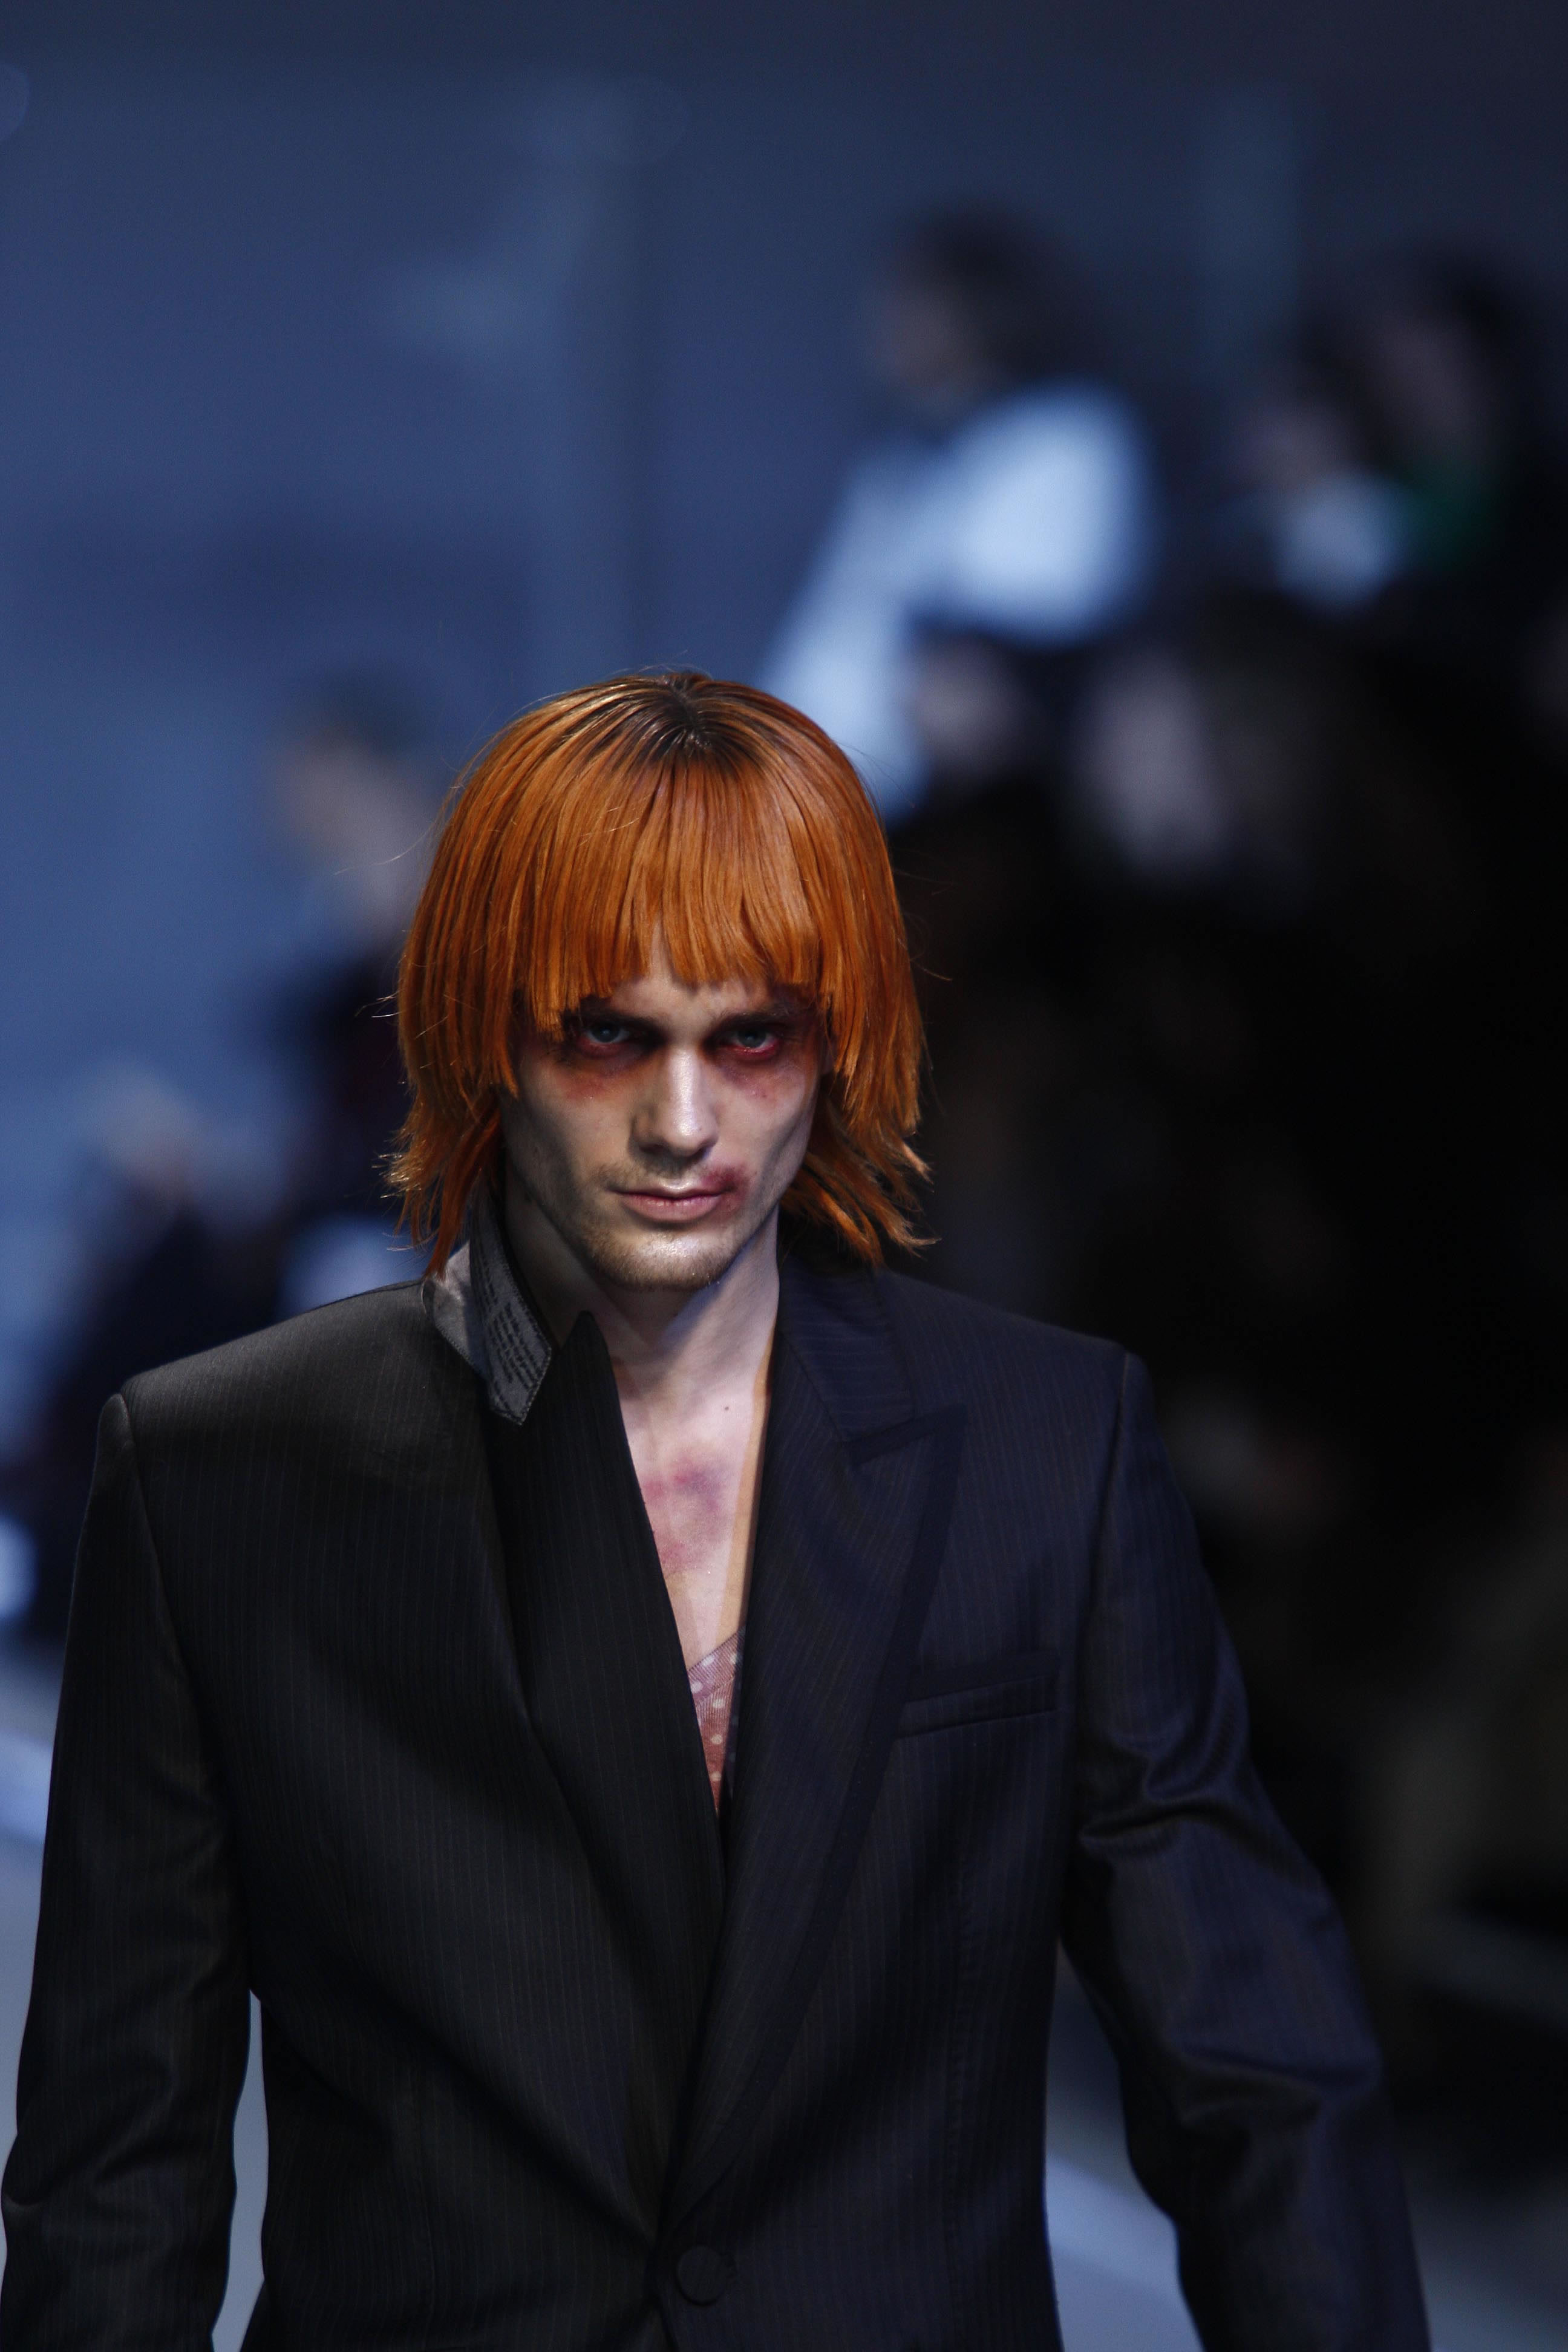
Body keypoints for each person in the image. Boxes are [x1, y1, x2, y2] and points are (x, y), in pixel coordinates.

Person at [2, 672, 1429, 2350]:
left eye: (750, 1035)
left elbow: (1254, 2069)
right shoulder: (220, 1475)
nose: (683, 1123)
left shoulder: (1044, 1452)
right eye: (608, 1031)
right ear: (478, 1030)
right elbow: (118, 2161)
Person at [765, 212, 1156, 820]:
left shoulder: (1068, 442)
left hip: (948, 820)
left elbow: (995, 669)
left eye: (912, 304)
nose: (885, 327)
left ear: (980, 311)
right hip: (812, 799)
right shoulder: (901, 461)